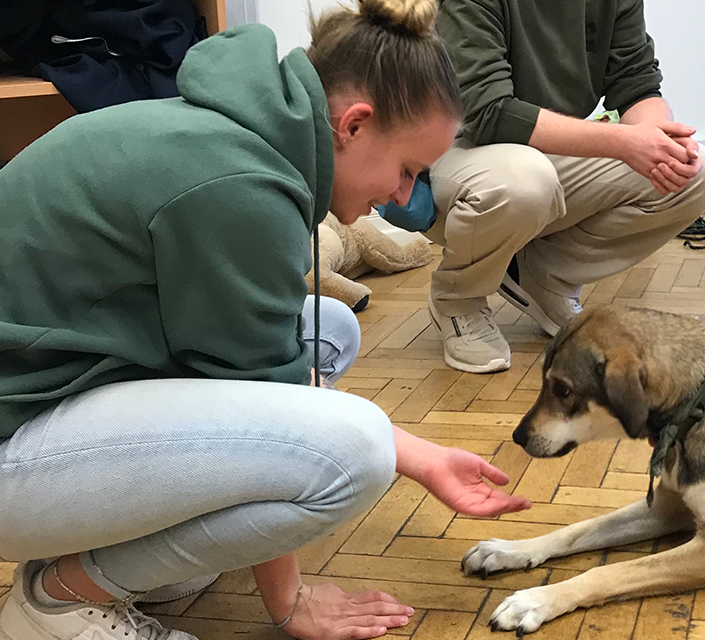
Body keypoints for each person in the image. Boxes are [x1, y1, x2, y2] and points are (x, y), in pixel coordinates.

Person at [0, 2, 529, 639]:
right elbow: (273, 401)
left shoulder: (234, 137)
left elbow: (254, 365)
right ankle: (58, 599)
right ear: (354, 125)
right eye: (407, 170)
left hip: (37, 399)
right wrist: (290, 599)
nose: (401, 196)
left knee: (328, 329)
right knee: (354, 452)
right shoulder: (240, 185)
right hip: (13, 450)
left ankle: (127, 552)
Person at [421, 0, 705, 373]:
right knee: (526, 181)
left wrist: (662, 140)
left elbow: (635, 81)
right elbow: (488, 112)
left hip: (539, 151)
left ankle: (545, 277)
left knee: (697, 173)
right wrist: (626, 143)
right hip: (450, 149)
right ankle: (458, 297)